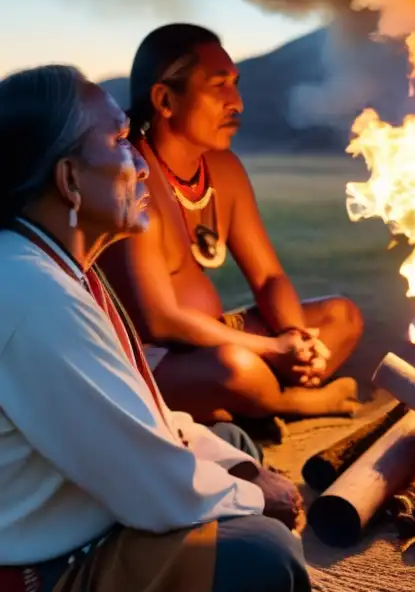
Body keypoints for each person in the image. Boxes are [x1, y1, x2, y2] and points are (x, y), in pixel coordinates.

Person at [0, 65, 312, 592]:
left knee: (236, 447)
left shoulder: (52, 268)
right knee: (261, 555)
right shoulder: (30, 291)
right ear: (69, 180)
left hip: (88, 499)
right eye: (120, 142)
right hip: (33, 578)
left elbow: (141, 416)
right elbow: (149, 485)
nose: (140, 163)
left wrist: (240, 472)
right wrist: (255, 494)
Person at [99, 23, 364, 424]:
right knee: (237, 368)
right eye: (218, 86)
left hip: (217, 336)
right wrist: (273, 350)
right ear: (165, 99)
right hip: (149, 359)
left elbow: (269, 278)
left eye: (235, 85)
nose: (237, 102)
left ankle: (247, 402)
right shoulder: (130, 179)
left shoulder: (224, 170)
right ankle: (285, 403)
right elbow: (161, 320)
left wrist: (295, 337)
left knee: (341, 318)